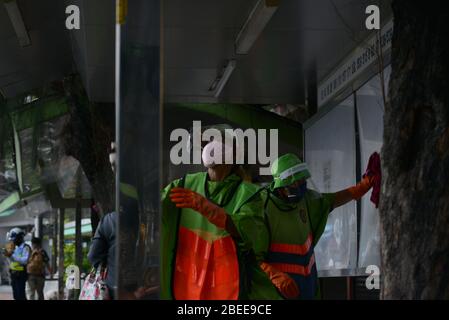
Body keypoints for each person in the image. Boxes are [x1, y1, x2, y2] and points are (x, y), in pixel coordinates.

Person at [161, 128, 280, 300]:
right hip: (187, 291)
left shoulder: (249, 194)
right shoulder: (185, 184)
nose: (209, 147)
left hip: (230, 293)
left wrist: (215, 213)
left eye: (215, 142)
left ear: (234, 152)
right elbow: (152, 209)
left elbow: (250, 235)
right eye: (205, 144)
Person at [261, 152, 381, 299]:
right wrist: (274, 275)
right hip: (277, 293)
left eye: (302, 180)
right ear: (280, 186)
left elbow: (332, 200)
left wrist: (361, 187)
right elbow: (249, 257)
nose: (300, 186)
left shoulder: (306, 201)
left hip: (308, 288)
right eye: (294, 183)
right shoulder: (263, 208)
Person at [3, 228, 31, 300]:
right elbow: (11, 261)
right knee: (15, 295)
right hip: (13, 274)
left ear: (19, 238)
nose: (13, 241)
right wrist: (8, 255)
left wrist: (11, 256)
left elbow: (24, 261)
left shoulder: (26, 247)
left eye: (14, 239)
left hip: (21, 274)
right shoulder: (13, 247)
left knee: (20, 295)